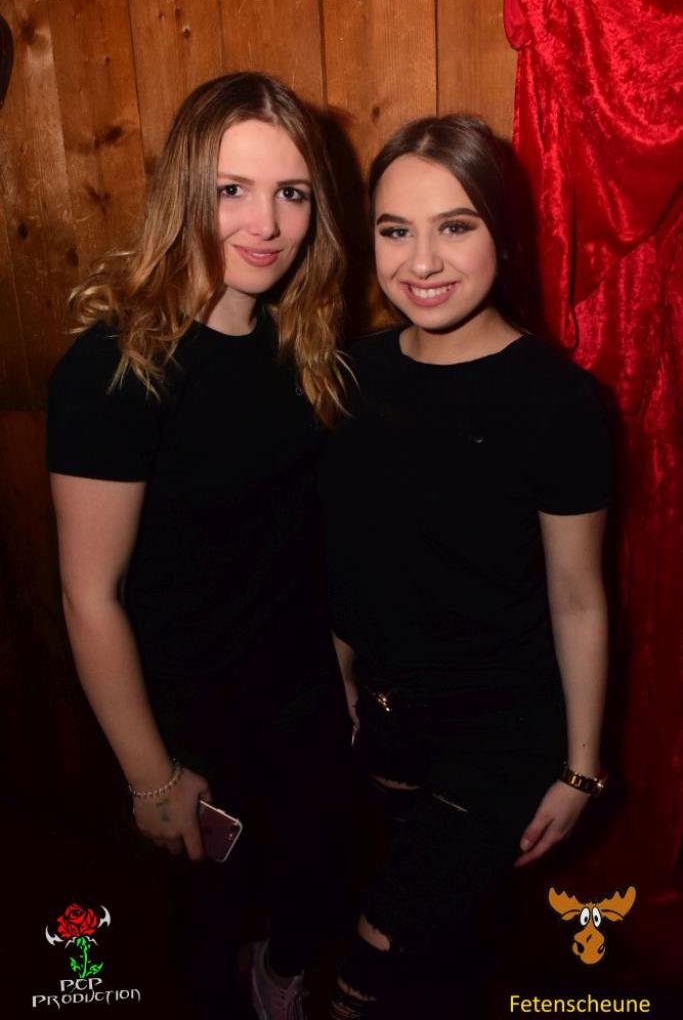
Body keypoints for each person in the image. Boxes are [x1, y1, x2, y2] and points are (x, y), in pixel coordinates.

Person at [48, 72, 352, 1020]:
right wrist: (152, 777)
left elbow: (303, 542)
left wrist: (342, 672)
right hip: (190, 723)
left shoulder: (302, 345)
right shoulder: (115, 364)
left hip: (299, 699)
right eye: (232, 190)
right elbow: (89, 595)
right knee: (205, 928)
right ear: (185, 190)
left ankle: (281, 979)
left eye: (291, 192)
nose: (266, 223)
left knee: (316, 883)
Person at [319, 114, 612, 1018]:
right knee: (443, 954)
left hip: (503, 730)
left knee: (371, 963)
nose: (421, 262)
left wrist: (579, 769)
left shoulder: (558, 402)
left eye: (454, 225)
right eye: (394, 230)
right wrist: (341, 686)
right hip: (388, 722)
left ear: (502, 234)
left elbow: (577, 598)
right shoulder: (348, 377)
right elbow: (348, 563)